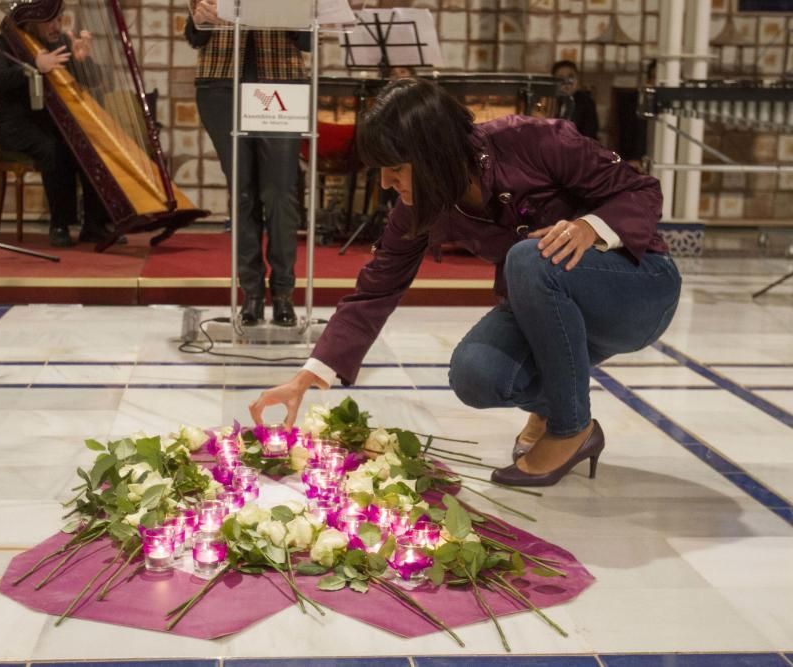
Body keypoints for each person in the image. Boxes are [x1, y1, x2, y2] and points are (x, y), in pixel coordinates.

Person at [250, 78, 682, 487]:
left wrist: (590, 227)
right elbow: (377, 288)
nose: (385, 183)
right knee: (476, 374)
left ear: (434, 154)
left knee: (529, 259)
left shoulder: (534, 140)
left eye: (396, 169)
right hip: (548, 301)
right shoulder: (421, 205)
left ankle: (570, 428)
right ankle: (553, 409)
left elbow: (641, 191)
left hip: (639, 287)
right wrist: (308, 376)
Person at [185, 0, 309, 327]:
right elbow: (195, 36)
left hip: (282, 81)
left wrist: (293, 16)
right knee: (242, 193)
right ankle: (251, 294)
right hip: (220, 84)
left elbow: (310, 40)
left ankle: (283, 293)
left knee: (281, 193)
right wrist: (198, 19)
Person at [0, 0, 112, 248]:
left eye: (59, 19)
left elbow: (97, 80)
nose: (57, 26)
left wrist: (83, 60)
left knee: (88, 144)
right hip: (16, 127)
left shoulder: (61, 42)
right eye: (50, 20)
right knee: (53, 148)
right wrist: (34, 68)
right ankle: (60, 224)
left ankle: (94, 224)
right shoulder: (4, 45)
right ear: (33, 21)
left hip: (50, 124)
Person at [552, 60, 599, 140]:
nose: (566, 82)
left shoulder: (586, 102)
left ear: (577, 80)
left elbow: (590, 133)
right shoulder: (549, 100)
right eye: (561, 78)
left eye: (570, 77)